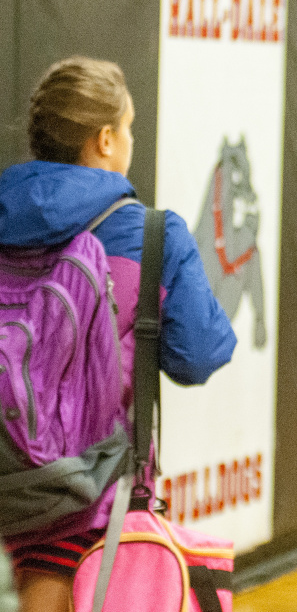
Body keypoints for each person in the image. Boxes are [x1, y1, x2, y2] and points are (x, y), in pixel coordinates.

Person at [0, 56, 237, 612]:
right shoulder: (150, 233)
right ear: (106, 139)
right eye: (128, 127)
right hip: (92, 504)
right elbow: (197, 356)